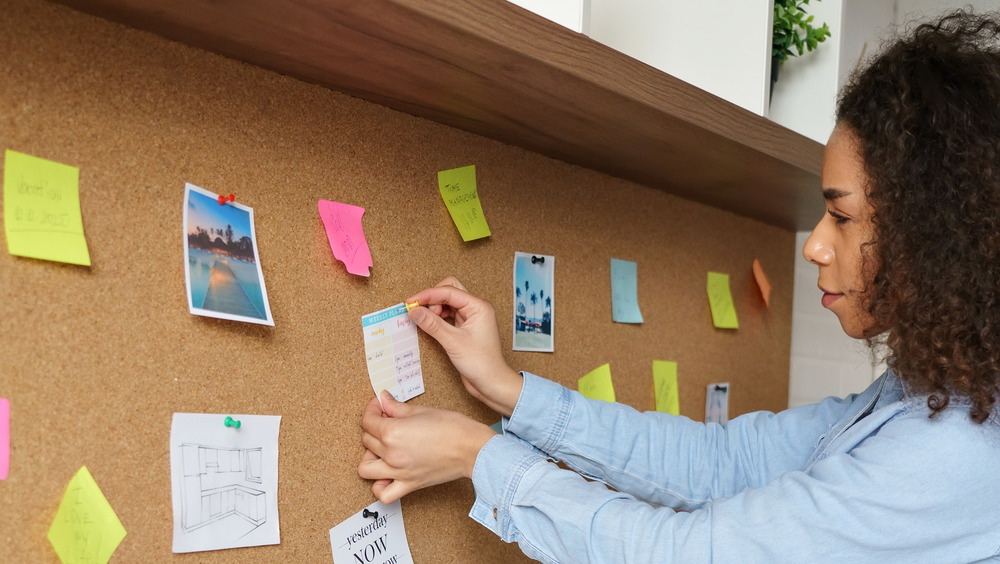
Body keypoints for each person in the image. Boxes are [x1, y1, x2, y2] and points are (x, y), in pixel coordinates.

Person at [359, 10, 1000, 563]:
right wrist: (510, 392)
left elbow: (683, 556)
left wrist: (479, 457)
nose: (814, 245)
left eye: (841, 215)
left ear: (936, 233)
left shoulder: (955, 456)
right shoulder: (929, 393)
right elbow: (718, 465)